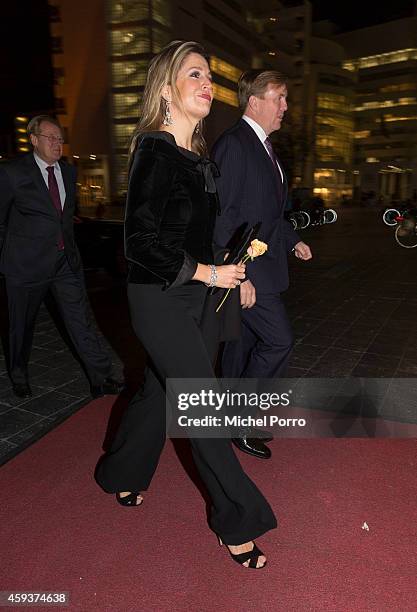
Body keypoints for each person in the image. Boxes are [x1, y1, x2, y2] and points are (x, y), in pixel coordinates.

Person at [95, 41, 276, 569]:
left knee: (158, 389)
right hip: (158, 297)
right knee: (202, 403)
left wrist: (228, 272)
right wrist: (208, 272)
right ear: (166, 90)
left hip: (200, 294)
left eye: (209, 76)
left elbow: (198, 237)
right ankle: (237, 519)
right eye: (193, 74)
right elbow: (141, 244)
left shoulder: (198, 159)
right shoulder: (154, 150)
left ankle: (119, 474)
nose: (207, 83)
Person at [212, 70, 312, 459]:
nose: (285, 107)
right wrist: (239, 275)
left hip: (266, 267)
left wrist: (294, 239)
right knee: (279, 341)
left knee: (242, 348)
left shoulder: (266, 147)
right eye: (279, 98)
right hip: (246, 271)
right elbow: (221, 216)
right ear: (255, 101)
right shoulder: (234, 145)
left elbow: (269, 213)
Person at [0, 115, 123, 399]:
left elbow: (63, 216)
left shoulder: (68, 172)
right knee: (21, 326)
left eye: (60, 139)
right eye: (50, 138)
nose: (57, 144)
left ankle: (100, 377)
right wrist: (8, 256)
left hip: (64, 262)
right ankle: (19, 376)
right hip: (25, 266)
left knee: (81, 320)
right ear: (33, 139)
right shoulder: (12, 173)